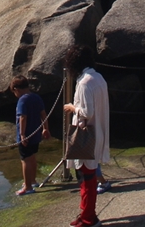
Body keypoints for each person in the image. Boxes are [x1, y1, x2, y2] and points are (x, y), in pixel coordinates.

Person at [62, 44, 110, 227]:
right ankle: (86, 213)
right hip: (98, 132)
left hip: (86, 135)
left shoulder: (84, 83)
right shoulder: (98, 78)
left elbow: (87, 112)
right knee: (88, 176)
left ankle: (89, 217)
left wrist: (72, 108)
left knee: (87, 178)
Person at [12, 75, 51, 195]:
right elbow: (43, 114)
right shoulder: (36, 97)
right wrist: (45, 128)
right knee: (32, 157)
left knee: (25, 160)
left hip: (27, 136)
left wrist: (22, 134)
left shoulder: (22, 100)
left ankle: (28, 187)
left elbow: (23, 117)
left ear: (16, 89)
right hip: (36, 134)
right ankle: (33, 181)